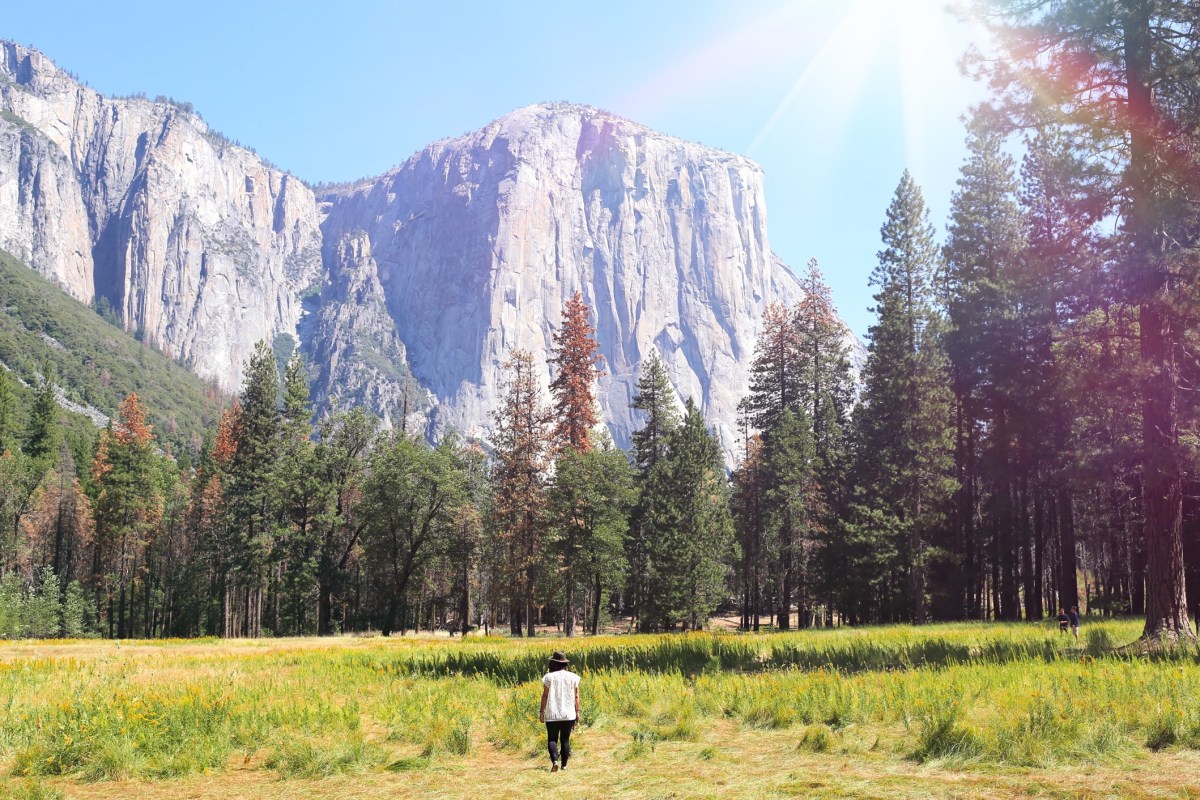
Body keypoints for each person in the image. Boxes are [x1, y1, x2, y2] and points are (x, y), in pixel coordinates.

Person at [539, 650, 581, 772]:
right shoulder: (574, 677)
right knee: (565, 739)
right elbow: (576, 696)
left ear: (553, 663)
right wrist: (577, 712)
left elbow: (545, 696)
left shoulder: (548, 677)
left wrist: (541, 711)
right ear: (565, 664)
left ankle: (555, 761)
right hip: (569, 714)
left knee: (552, 738)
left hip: (552, 713)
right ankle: (564, 765)